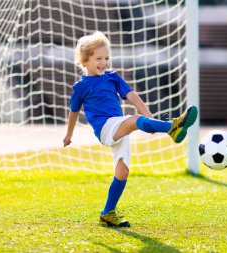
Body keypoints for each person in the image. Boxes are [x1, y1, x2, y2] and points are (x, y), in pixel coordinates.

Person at [63, 31, 197, 227]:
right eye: (98, 58)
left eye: (106, 58)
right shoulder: (80, 87)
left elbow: (132, 96)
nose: (104, 62)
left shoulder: (112, 77)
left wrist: (149, 118)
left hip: (118, 126)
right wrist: (68, 135)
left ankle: (107, 212)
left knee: (123, 171)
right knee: (134, 120)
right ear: (85, 60)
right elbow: (73, 112)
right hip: (105, 129)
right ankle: (173, 127)